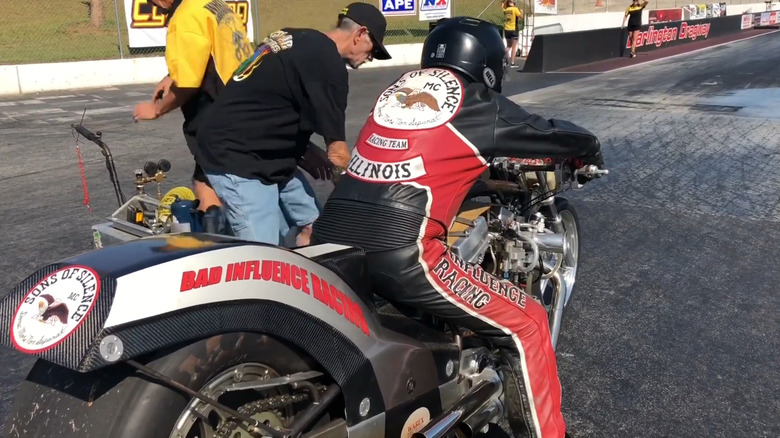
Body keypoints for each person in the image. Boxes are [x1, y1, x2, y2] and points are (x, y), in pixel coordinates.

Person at [311, 17, 604, 438]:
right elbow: (547, 133)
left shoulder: (395, 92)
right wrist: (588, 147)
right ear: (488, 63)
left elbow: (418, 165)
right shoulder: (476, 101)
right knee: (529, 323)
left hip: (332, 237)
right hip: (405, 255)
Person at [193, 2, 391, 246]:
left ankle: (305, 262)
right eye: (373, 49)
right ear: (360, 34)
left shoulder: (297, 37)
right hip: (238, 158)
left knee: (314, 225)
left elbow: (272, 101)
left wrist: (304, 149)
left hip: (265, 154)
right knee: (263, 256)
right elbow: (338, 153)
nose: (371, 57)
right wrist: (359, 201)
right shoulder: (329, 65)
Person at [133, 0, 253, 214]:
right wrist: (173, 75)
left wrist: (156, 109)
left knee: (210, 189)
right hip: (245, 104)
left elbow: (188, 85)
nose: (156, 7)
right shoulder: (212, 4)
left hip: (219, 117)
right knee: (208, 182)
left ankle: (222, 241)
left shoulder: (184, 17)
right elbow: (214, 50)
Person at [502, 0, 524, 66]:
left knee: (508, 46)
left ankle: (502, 58)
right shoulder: (515, 9)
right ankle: (512, 62)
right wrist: (522, 12)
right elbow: (521, 16)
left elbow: (503, 8)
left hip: (507, 29)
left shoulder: (506, 10)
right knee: (514, 47)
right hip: (514, 30)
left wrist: (503, 4)